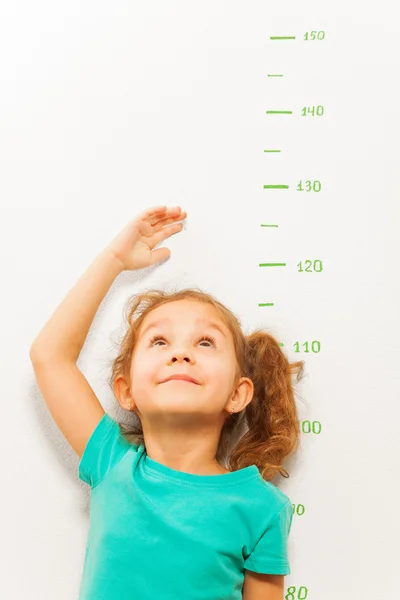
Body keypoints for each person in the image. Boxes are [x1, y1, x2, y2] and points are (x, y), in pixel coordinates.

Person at [30, 205, 305, 600]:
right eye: (160, 341)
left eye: (205, 342)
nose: (180, 354)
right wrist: (114, 261)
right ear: (126, 390)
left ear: (237, 394)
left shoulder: (261, 507)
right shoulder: (112, 463)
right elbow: (50, 356)